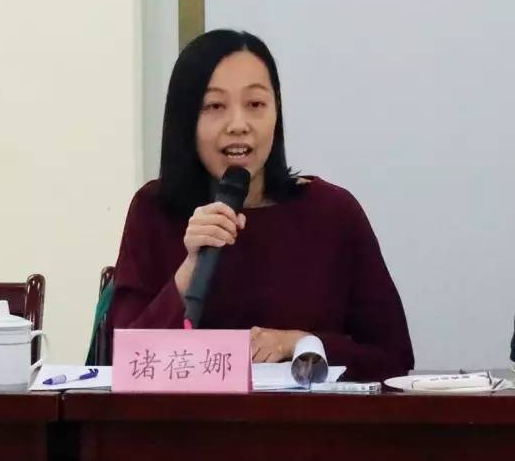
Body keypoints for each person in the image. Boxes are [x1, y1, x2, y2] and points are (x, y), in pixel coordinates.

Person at [109, 29, 413, 382]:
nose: (238, 125)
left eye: (255, 104)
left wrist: (301, 344)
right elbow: (123, 364)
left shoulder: (333, 212)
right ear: (185, 119)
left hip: (306, 418)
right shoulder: (154, 210)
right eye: (215, 106)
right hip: (186, 418)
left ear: (276, 113)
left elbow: (392, 358)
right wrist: (189, 269)